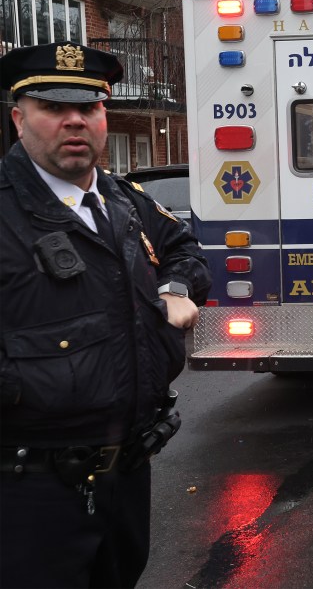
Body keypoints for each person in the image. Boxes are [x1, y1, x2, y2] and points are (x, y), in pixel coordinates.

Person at [0, 42, 211, 588]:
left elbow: (185, 247)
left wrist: (174, 287)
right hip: (31, 490)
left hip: (126, 472)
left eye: (89, 108)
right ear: (19, 118)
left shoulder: (122, 201)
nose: (75, 120)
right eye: (53, 107)